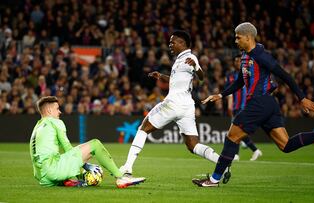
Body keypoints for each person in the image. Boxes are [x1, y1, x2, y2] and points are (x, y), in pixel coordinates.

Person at [192, 22, 314, 187]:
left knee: (232, 137)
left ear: (248, 37)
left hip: (259, 102)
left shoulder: (261, 55)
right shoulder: (245, 55)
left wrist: (302, 98)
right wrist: (221, 94)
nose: (235, 41)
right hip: (268, 104)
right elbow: (240, 81)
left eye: (238, 37)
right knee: (286, 145)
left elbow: (285, 75)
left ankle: (214, 180)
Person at [119, 30, 221, 177]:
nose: (170, 45)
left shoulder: (190, 57)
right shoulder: (180, 60)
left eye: (173, 42)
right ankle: (221, 162)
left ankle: (127, 167)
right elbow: (177, 80)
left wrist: (197, 68)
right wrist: (161, 76)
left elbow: (202, 77)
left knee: (143, 128)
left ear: (182, 43)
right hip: (186, 106)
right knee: (193, 145)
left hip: (173, 104)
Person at [29, 96, 145, 188]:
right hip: (53, 170)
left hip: (42, 177)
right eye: (57, 109)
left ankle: (66, 181)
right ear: (49, 110)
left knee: (75, 150)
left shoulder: (37, 127)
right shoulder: (55, 122)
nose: (60, 112)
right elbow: (68, 148)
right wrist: (85, 165)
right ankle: (121, 177)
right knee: (95, 144)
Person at [225, 54, 265, 162]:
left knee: (237, 131)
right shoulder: (230, 75)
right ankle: (255, 150)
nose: (237, 63)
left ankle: (237, 154)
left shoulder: (248, 74)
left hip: (245, 106)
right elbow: (229, 91)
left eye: (239, 61)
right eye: (236, 61)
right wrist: (230, 104)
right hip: (235, 106)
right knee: (238, 131)